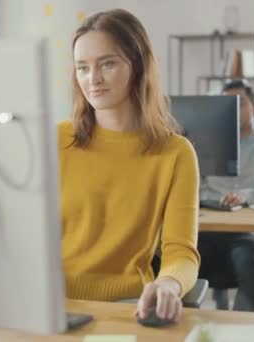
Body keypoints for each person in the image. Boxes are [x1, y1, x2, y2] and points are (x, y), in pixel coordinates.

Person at [58, 9, 200, 323]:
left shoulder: (176, 153)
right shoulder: (56, 140)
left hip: (129, 306)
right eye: (83, 67)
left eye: (107, 63)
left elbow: (181, 251)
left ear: (138, 66)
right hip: (55, 304)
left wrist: (169, 282)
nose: (92, 79)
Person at [198, 80, 254, 311]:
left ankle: (238, 330)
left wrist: (245, 196)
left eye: (240, 103)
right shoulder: (202, 144)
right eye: (227, 105)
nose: (233, 109)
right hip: (204, 227)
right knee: (164, 263)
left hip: (245, 231)